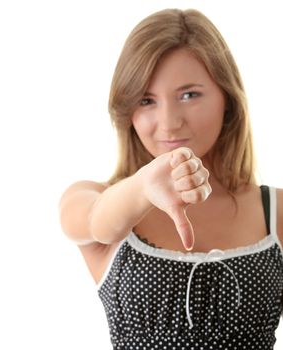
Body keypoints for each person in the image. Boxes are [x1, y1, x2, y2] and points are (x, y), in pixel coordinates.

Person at [59, 8, 283, 349]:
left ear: (228, 101)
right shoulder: (93, 198)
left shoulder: (275, 211)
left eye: (189, 94)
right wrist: (144, 186)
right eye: (146, 100)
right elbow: (96, 221)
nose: (168, 122)